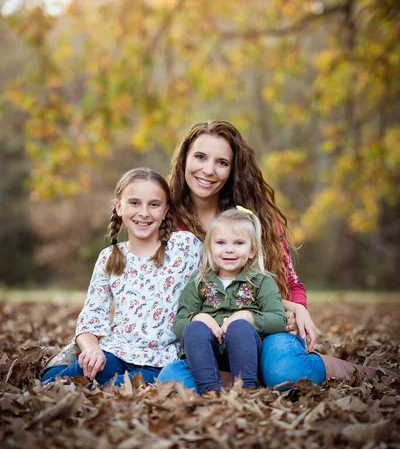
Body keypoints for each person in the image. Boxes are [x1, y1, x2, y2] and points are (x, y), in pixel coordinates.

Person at [158, 120, 397, 389]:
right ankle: (253, 380)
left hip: (262, 327)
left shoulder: (255, 216)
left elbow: (290, 281)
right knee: (173, 381)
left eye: (222, 162)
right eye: (200, 157)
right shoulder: (165, 219)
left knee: (287, 372)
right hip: (207, 336)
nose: (208, 170)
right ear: (184, 159)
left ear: (233, 169)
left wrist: (297, 308)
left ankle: (342, 370)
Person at [41, 168, 202, 387]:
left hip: (162, 361)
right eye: (134, 203)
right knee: (52, 382)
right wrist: (92, 350)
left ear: (165, 211)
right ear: (119, 207)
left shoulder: (185, 247)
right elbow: (91, 318)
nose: (144, 213)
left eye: (153, 205)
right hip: (114, 354)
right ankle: (64, 366)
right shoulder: (109, 257)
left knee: (144, 387)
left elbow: (217, 276)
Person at [174, 207, 287, 394]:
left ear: (252, 250)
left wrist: (249, 317)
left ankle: (246, 390)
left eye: (238, 243)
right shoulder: (199, 281)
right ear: (210, 247)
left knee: (240, 327)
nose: (229, 250)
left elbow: (279, 320)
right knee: (193, 330)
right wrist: (199, 318)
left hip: (246, 352)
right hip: (207, 354)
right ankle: (210, 391)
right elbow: (178, 324)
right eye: (220, 242)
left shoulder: (261, 280)